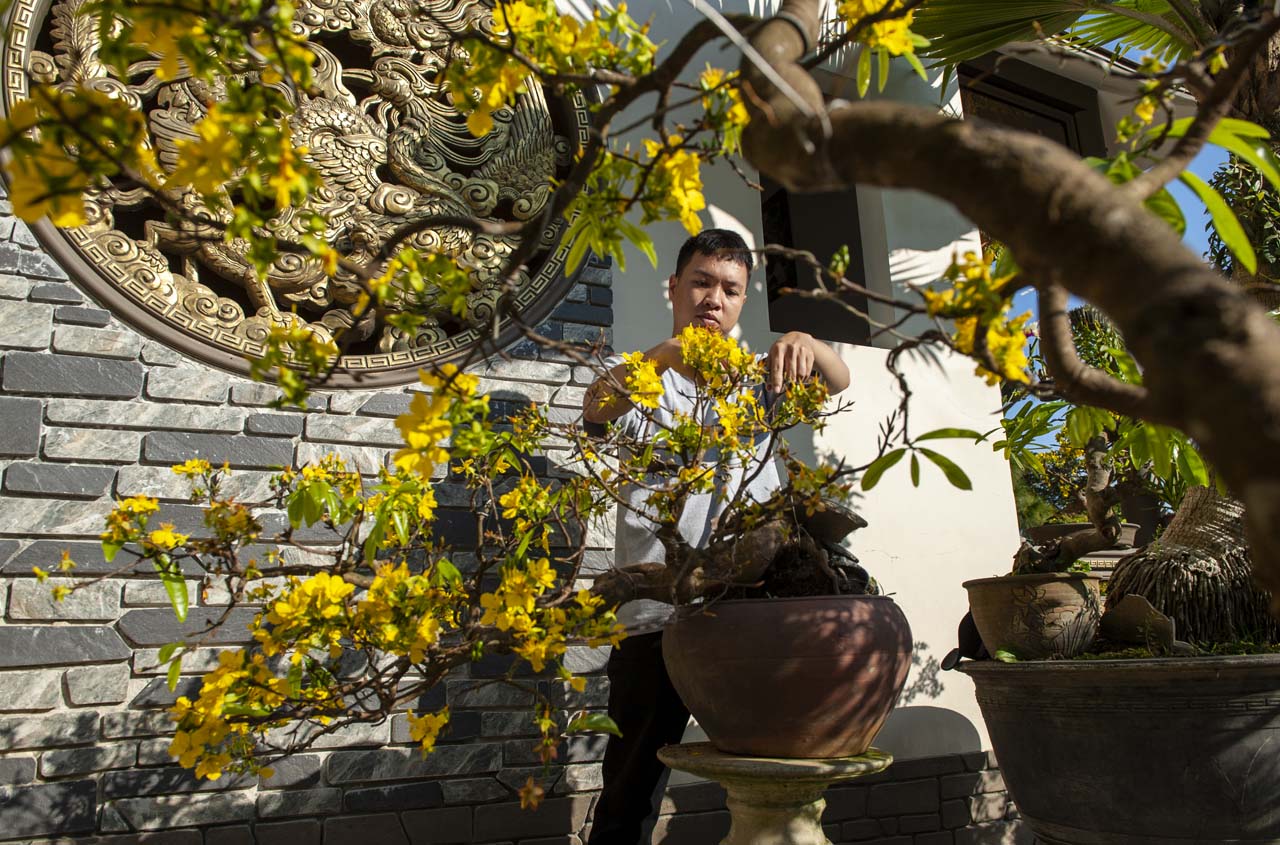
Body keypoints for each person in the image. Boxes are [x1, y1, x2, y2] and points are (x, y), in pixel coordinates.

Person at [581, 229, 850, 845]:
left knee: (774, 775)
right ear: (674, 288)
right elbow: (594, 410)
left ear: (743, 301)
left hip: (752, 609)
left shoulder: (763, 380)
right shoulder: (644, 374)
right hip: (656, 615)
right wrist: (661, 359)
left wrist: (805, 341)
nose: (713, 299)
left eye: (730, 289)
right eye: (701, 282)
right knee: (627, 791)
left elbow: (838, 383)